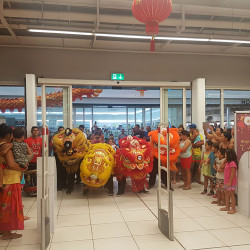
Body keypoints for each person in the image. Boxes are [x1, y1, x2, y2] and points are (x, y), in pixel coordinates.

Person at [0, 124, 27, 240]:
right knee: (8, 206)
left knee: (3, 205)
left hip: (4, 179)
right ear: (8, 135)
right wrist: (22, 168)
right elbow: (11, 164)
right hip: (9, 180)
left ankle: (4, 230)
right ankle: (6, 233)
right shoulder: (6, 146)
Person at [220, 149, 238, 214]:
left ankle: (233, 208)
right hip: (226, 181)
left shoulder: (233, 163)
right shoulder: (227, 162)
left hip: (231, 182)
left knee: (231, 195)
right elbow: (221, 166)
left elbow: (233, 173)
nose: (225, 156)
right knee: (226, 194)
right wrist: (225, 159)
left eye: (226, 154)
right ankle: (227, 206)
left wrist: (230, 182)